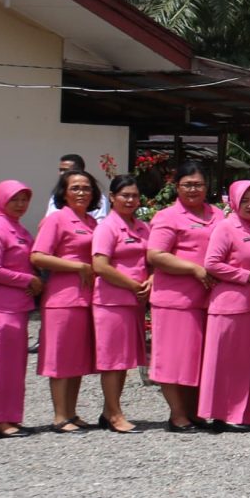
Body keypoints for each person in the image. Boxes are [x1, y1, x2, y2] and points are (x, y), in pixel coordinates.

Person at [145, 162, 220, 432]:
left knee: (197, 358)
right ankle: (177, 415)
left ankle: (195, 412)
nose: (193, 189)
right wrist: (193, 268)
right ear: (176, 187)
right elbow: (156, 255)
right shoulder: (168, 217)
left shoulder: (217, 215)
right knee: (174, 358)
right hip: (175, 299)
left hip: (208, 300)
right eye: (187, 184)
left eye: (198, 184)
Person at [30, 167, 101, 432]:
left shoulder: (92, 222)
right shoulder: (57, 219)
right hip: (63, 297)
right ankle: (60, 416)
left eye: (86, 188)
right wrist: (77, 267)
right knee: (60, 358)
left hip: (86, 297)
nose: (82, 192)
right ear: (64, 193)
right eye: (75, 188)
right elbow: (37, 256)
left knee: (77, 358)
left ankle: (71, 412)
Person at [0, 180, 40, 438]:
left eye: (24, 199)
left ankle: (11, 415)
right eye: (15, 199)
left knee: (14, 365)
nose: (21, 205)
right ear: (2, 200)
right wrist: (28, 280)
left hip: (16, 307)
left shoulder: (18, 229)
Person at [199, 180, 250, 429]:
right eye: (245, 200)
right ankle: (223, 414)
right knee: (225, 361)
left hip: (249, 305)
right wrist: (246, 275)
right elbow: (212, 263)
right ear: (234, 201)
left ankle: (244, 413)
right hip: (228, 305)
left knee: (243, 362)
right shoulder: (225, 228)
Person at [88, 176, 149, 433]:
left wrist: (152, 281)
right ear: (112, 197)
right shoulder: (107, 227)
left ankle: (108, 410)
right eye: (125, 195)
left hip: (133, 302)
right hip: (111, 302)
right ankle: (114, 414)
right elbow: (100, 265)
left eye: (134, 195)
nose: (130, 200)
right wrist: (134, 285)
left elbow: (154, 259)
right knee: (113, 361)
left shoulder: (143, 227)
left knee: (124, 361)